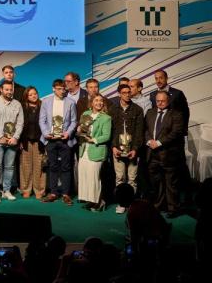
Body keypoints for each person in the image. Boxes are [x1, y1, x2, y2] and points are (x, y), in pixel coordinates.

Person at [146, 90, 185, 218]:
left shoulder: (176, 114)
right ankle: (158, 206)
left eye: (163, 101)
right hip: (152, 154)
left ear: (168, 101)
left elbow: (176, 133)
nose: (160, 103)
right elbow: (145, 130)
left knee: (170, 184)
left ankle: (172, 208)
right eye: (158, 101)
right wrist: (149, 141)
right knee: (156, 183)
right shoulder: (150, 113)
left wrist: (159, 143)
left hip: (169, 155)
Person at [40, 79, 78, 205]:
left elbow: (74, 121)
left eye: (63, 89)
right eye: (59, 89)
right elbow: (42, 120)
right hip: (50, 139)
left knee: (66, 167)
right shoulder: (46, 101)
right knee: (52, 166)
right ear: (53, 89)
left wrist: (68, 133)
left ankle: (66, 194)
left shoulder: (71, 102)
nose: (62, 91)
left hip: (64, 140)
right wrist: (46, 133)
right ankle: (53, 193)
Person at [109, 83, 145, 213]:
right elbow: (111, 131)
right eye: (124, 93)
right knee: (120, 178)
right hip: (117, 150)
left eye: (129, 92)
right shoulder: (113, 109)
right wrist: (113, 147)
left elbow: (139, 132)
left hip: (132, 150)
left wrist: (135, 149)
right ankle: (121, 203)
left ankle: (131, 204)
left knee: (132, 179)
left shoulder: (137, 109)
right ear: (119, 94)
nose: (127, 95)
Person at [0, 81, 23, 204]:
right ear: (1, 90)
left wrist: (16, 137)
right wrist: (0, 136)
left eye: (11, 89)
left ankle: (7, 191)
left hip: (12, 141)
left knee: (9, 167)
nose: (9, 92)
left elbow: (20, 123)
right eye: (6, 89)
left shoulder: (17, 104)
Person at [78, 94, 112, 212]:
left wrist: (94, 140)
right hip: (84, 149)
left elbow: (107, 136)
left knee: (94, 177)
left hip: (96, 150)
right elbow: (82, 128)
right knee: (85, 176)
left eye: (101, 101)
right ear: (91, 102)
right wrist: (79, 130)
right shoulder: (85, 114)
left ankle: (99, 201)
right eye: (96, 100)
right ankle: (90, 200)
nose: (99, 103)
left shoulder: (106, 118)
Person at [19, 86, 46, 200]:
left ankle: (39, 190)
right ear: (26, 97)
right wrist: (20, 140)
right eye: (30, 95)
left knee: (39, 166)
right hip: (26, 140)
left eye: (35, 93)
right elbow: (19, 124)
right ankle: (26, 189)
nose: (33, 96)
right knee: (26, 166)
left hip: (40, 140)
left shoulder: (43, 106)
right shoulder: (22, 107)